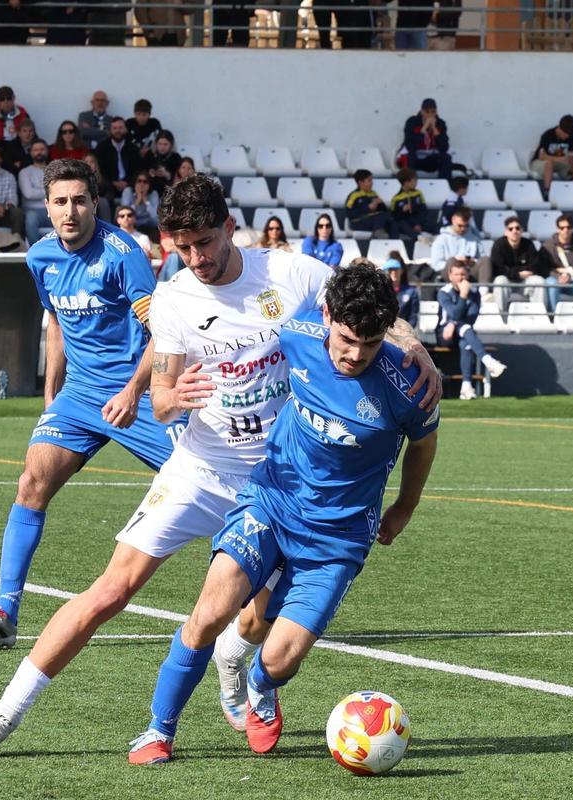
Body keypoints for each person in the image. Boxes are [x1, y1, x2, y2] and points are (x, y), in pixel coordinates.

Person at [0, 178, 439, 761]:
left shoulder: (290, 274)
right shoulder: (175, 297)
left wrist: (414, 343)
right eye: (183, 247)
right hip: (203, 467)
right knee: (111, 589)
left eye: (205, 242)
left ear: (230, 228)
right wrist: (174, 396)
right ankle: (3, 715)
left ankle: (236, 665)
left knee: (257, 628)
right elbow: (159, 397)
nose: (197, 258)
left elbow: (360, 294)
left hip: (283, 484)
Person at [120, 263, 440, 764]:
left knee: (279, 655)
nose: (355, 354)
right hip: (270, 501)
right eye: (347, 338)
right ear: (327, 317)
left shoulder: (408, 386)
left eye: (371, 342)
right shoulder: (295, 334)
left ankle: (262, 687)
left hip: (338, 537)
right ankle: (158, 730)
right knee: (209, 614)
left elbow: (423, 446)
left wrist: (405, 506)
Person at [0, 158, 184, 650]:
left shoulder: (123, 256)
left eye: (79, 200)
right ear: (47, 207)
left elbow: (162, 334)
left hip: (133, 393)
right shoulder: (40, 258)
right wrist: (51, 393)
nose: (70, 211)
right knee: (32, 481)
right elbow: (55, 322)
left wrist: (134, 391)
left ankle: (257, 600)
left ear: (94, 203)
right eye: (60, 202)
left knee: (210, 488)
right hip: (78, 395)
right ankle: (4, 612)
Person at [437, 258, 507, 400]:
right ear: (450, 276)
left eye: (463, 274)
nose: (461, 278)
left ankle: (466, 387)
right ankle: (488, 361)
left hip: (464, 333)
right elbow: (454, 313)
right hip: (445, 334)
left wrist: (454, 323)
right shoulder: (443, 292)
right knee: (465, 330)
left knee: (466, 343)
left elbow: (472, 317)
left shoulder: (474, 293)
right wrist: (463, 295)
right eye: (457, 275)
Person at [540, 214, 573, 314]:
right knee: (552, 285)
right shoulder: (547, 246)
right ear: (557, 229)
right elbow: (542, 268)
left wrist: (568, 275)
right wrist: (558, 276)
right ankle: (554, 316)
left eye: (569, 227)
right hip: (553, 279)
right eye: (562, 228)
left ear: (572, 229)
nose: (565, 230)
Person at [489, 215, 546, 311]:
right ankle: (501, 317)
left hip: (524, 281)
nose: (514, 231)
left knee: (539, 281)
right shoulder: (499, 245)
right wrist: (517, 273)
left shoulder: (528, 244)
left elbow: (535, 265)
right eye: (510, 229)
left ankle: (539, 316)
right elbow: (499, 268)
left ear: (522, 231)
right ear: (506, 232)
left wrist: (515, 272)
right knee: (500, 281)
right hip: (507, 280)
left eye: (517, 228)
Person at [95, 117, 144, 201]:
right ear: (110, 130)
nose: (117, 131)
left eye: (120, 128)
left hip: (130, 185)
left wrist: (127, 183)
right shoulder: (102, 147)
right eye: (114, 128)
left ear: (125, 129)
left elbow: (137, 170)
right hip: (109, 185)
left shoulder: (133, 148)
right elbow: (100, 170)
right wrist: (114, 183)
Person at [401, 98, 451, 179]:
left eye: (433, 112)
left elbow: (444, 148)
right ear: (421, 111)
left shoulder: (440, 124)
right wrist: (424, 129)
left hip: (431, 159)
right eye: (427, 112)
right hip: (416, 159)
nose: (430, 115)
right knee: (410, 157)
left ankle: (444, 185)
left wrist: (435, 129)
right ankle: (409, 186)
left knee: (446, 158)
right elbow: (410, 147)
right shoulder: (412, 122)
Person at [530, 114, 573, 191]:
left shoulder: (570, 137)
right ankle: (547, 191)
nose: (566, 137)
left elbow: (572, 153)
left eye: (568, 135)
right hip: (541, 162)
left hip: (560, 163)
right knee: (549, 163)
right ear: (560, 128)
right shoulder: (548, 135)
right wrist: (559, 159)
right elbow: (541, 156)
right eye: (565, 134)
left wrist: (572, 159)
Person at [429, 206, 484, 278]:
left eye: (466, 226)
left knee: (485, 260)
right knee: (452, 261)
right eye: (460, 225)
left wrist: (472, 262)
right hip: (449, 275)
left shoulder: (474, 238)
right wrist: (457, 262)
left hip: (469, 273)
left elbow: (482, 259)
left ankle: (484, 288)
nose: (463, 229)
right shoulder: (441, 239)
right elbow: (436, 264)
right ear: (453, 220)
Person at [344, 169, 393, 237]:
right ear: (361, 182)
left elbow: (384, 210)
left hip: (373, 221)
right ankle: (378, 234)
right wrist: (368, 208)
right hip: (358, 222)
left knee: (392, 219)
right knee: (382, 216)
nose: (372, 183)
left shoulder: (373, 193)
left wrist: (381, 203)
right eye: (369, 181)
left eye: (372, 180)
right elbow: (349, 213)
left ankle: (394, 240)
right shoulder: (354, 195)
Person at [19, 139, 50, 244]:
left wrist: (37, 191)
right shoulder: (24, 172)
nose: (39, 152)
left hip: (53, 209)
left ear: (47, 151)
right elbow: (29, 194)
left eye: (42, 149)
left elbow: (60, 191)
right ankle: (35, 252)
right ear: (31, 152)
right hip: (32, 211)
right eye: (36, 150)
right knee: (31, 217)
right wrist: (49, 191)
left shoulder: (55, 171)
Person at [390, 168, 429, 247]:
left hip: (420, 222)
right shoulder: (396, 198)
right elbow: (394, 217)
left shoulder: (418, 193)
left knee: (434, 226)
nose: (416, 182)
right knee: (400, 223)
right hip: (407, 225)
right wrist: (402, 210)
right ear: (406, 182)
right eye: (414, 180)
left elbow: (424, 210)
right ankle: (417, 237)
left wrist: (418, 224)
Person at [385, 256, 420, 326]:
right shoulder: (383, 291)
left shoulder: (412, 292)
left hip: (404, 330)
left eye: (396, 269)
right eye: (391, 269)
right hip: (386, 331)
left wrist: (406, 331)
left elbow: (413, 316)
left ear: (401, 271)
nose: (393, 272)